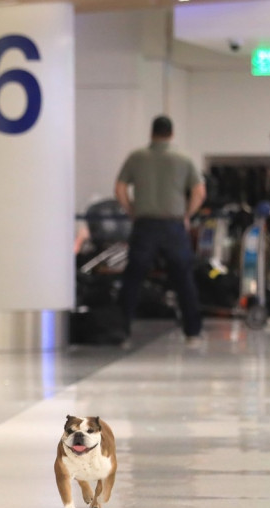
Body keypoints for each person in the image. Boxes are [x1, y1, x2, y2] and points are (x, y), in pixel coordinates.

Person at [114, 115, 205, 345]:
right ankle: (192, 332)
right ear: (171, 134)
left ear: (151, 133)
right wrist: (187, 215)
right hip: (173, 225)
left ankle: (122, 331)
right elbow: (199, 192)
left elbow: (120, 188)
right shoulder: (184, 159)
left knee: (133, 278)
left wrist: (131, 210)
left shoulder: (137, 157)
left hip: (145, 224)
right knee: (183, 278)